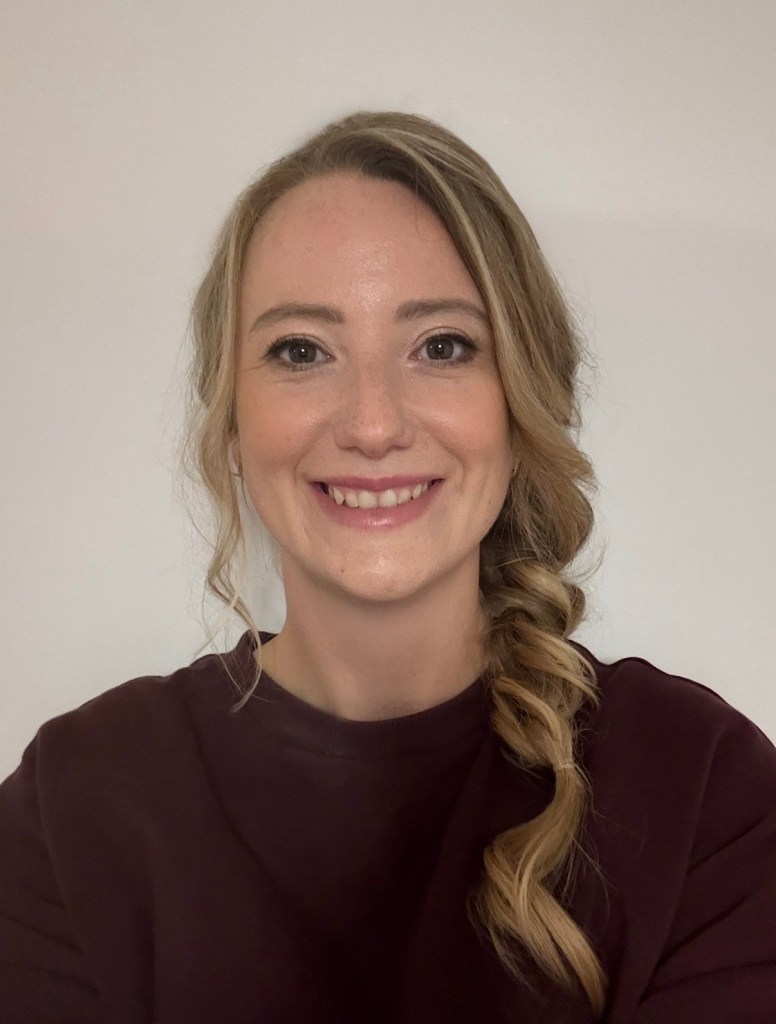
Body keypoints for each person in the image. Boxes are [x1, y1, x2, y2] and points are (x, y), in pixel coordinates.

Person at [1, 111, 775, 1024]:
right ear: (234, 421)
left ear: (519, 404)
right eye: (301, 350)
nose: (372, 424)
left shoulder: (704, 792)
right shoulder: (75, 801)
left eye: (442, 346)